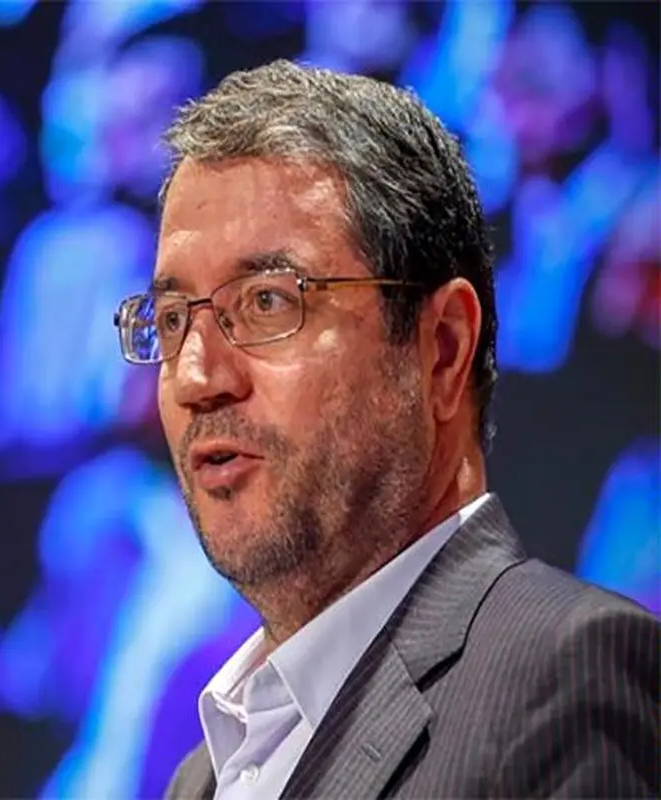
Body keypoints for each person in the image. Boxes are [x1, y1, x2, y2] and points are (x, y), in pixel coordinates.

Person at [112, 60, 660, 799]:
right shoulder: (203, 776)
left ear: (442, 349)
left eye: (269, 302)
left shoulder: (564, 677)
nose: (195, 376)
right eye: (174, 319)